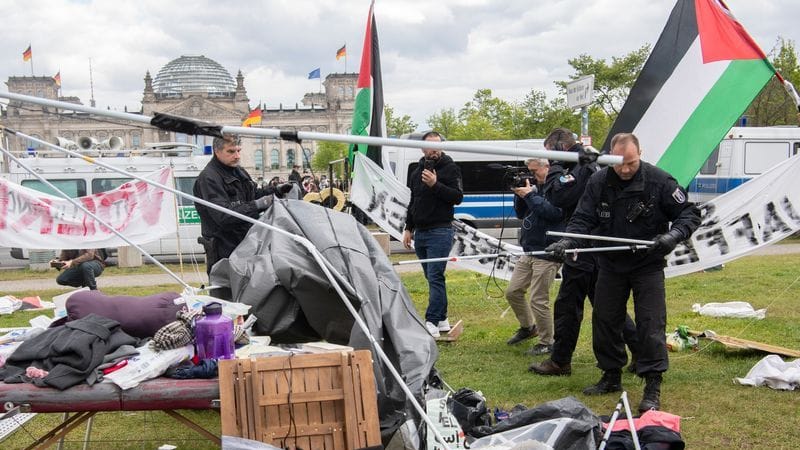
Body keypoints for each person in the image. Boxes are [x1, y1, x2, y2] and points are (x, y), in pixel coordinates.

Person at [546, 132, 701, 413]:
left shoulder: (660, 181)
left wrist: (674, 235)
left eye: (630, 163)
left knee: (650, 323)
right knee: (605, 321)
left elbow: (689, 214)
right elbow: (583, 218)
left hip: (647, 264)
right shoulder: (598, 181)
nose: (625, 169)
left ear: (639, 153)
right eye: (619, 164)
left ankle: (652, 384)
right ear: (610, 158)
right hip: (610, 264)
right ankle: (610, 375)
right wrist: (567, 242)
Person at [530, 128, 640, 377]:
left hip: (585, 246)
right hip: (586, 243)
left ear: (559, 148)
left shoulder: (582, 164)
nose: (548, 159)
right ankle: (640, 350)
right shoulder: (585, 162)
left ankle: (560, 361)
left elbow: (559, 195)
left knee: (569, 305)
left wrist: (557, 164)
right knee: (605, 305)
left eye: (550, 153)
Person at [194, 134, 292, 276]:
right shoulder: (208, 178)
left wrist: (276, 191)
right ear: (217, 151)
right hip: (224, 250)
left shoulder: (239, 171)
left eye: (239, 150)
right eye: (231, 151)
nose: (237, 156)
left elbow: (252, 195)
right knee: (228, 295)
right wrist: (257, 205)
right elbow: (223, 216)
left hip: (246, 243)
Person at [402, 131, 464, 338]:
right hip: (421, 231)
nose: (435, 150)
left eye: (438, 145)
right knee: (431, 277)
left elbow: (457, 197)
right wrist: (408, 228)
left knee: (436, 276)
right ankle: (443, 319)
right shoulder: (416, 171)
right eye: (431, 146)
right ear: (422, 148)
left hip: (441, 230)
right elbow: (413, 201)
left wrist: (435, 185)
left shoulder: (450, 168)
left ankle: (432, 320)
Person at [504, 158, 562, 356]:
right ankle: (529, 327)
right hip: (529, 249)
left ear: (547, 168)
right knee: (513, 291)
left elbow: (553, 214)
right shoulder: (534, 188)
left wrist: (531, 196)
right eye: (529, 172)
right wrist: (520, 194)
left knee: (538, 299)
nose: (533, 176)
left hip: (548, 251)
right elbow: (521, 214)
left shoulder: (559, 187)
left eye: (535, 171)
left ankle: (547, 341)